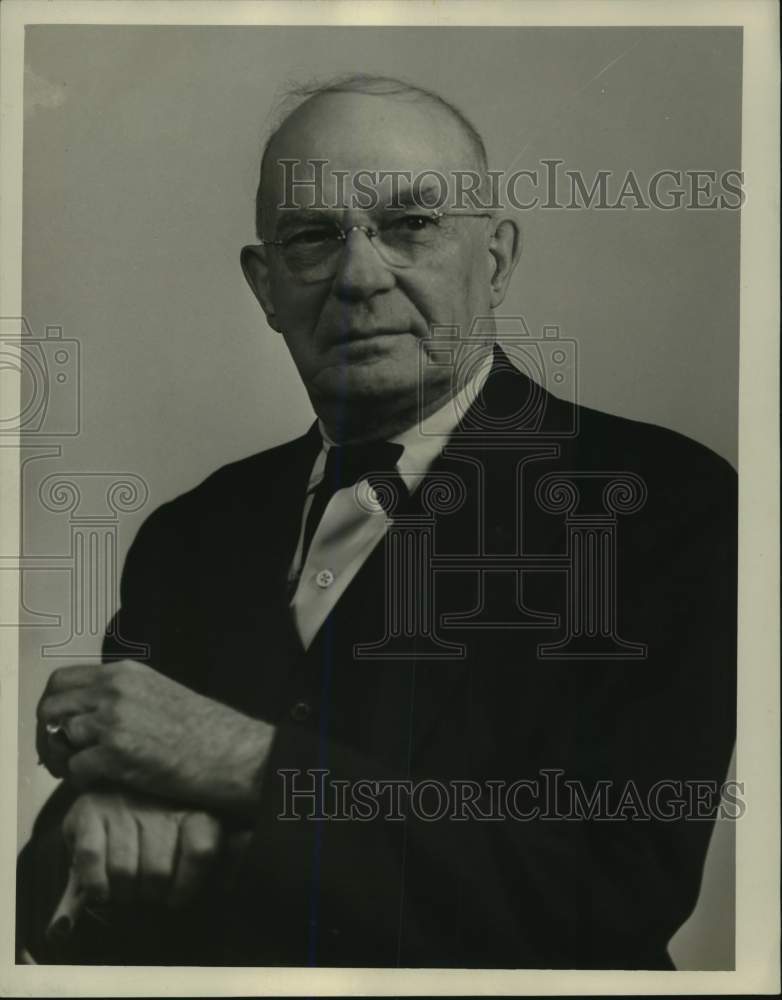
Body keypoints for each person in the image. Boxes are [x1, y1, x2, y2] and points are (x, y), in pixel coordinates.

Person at [17, 74, 737, 969]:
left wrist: (244, 762)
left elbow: (614, 892)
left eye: (412, 225)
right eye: (314, 237)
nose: (360, 277)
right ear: (266, 285)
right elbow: (40, 902)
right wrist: (89, 834)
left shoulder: (663, 503)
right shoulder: (191, 532)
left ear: (498, 260)